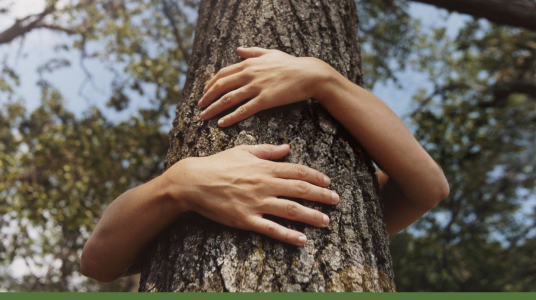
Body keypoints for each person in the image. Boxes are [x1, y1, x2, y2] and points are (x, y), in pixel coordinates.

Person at [80, 47, 449, 283]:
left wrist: (325, 79)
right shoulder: (170, 218)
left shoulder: (346, 201)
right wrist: (178, 182)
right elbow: (98, 262)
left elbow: (429, 187)